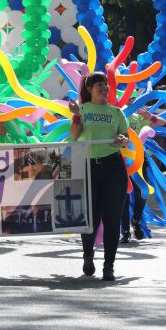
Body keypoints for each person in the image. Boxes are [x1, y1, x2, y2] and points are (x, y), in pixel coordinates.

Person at [69, 72, 130, 281]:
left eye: (106, 85)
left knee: (112, 219)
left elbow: (126, 139)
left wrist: (123, 140)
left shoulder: (116, 112)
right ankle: (88, 256)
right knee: (90, 218)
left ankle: (109, 266)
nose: (104, 88)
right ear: (89, 89)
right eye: (99, 85)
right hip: (88, 167)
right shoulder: (82, 109)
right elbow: (75, 135)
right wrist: (76, 116)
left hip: (113, 167)